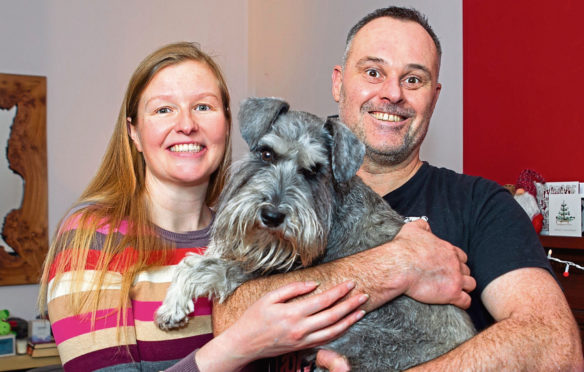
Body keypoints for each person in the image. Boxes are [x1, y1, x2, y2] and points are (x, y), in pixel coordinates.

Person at [213, 7, 584, 371]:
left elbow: (557, 347)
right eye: (373, 72)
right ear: (338, 82)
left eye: (413, 80)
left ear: (434, 96)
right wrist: (400, 266)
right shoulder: (271, 195)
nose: (392, 93)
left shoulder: (482, 205)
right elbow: (230, 321)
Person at [37, 42, 370, 372]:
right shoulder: (93, 235)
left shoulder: (268, 235)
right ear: (133, 133)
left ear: (227, 125)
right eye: (163, 109)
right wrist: (240, 345)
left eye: (203, 107)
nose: (186, 125)